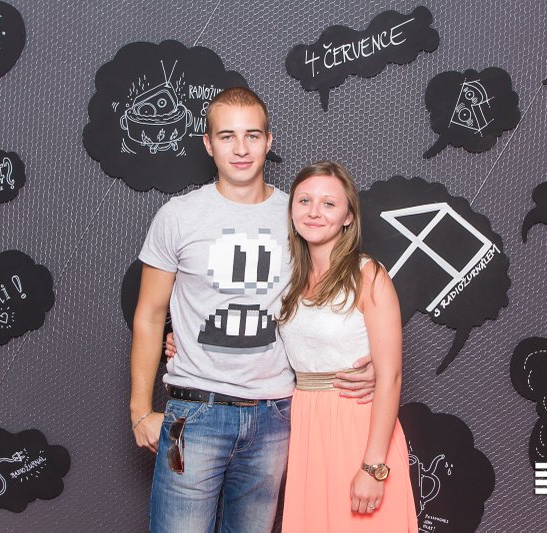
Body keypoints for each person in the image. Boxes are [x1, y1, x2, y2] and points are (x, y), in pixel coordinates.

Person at [130, 87, 374, 533]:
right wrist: (140, 410)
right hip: (196, 411)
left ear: (269, 141)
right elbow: (149, 314)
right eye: (227, 136)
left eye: (252, 135)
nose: (241, 149)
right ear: (208, 144)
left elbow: (334, 295)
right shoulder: (178, 216)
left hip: (274, 416)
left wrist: (371, 363)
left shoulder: (299, 215)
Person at [277, 161, 418, 532]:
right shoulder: (288, 278)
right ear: (291, 210)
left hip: (357, 426)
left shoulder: (367, 274)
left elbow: (390, 377)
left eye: (328, 203)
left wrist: (373, 466)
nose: (314, 212)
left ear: (348, 217)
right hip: (307, 429)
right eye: (304, 201)